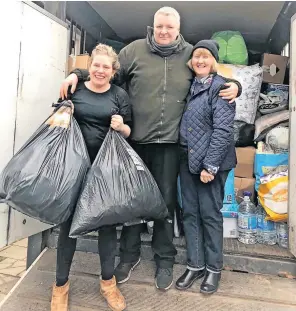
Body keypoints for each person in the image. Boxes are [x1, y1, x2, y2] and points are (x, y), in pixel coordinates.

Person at [59, 7, 241, 291]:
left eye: (169, 27)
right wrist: (77, 73)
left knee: (164, 204)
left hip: (170, 146)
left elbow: (213, 75)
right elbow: (107, 71)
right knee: (132, 202)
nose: (164, 32)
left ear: (178, 28)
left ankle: (165, 260)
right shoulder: (134, 51)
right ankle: (128, 256)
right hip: (135, 142)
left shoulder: (190, 54)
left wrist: (236, 85)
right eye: (159, 27)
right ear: (153, 27)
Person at [51, 44, 131, 311]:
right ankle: (60, 286)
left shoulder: (119, 95)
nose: (100, 70)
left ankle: (108, 283)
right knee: (68, 228)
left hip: (105, 171)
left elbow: (130, 132)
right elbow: (56, 124)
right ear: (89, 67)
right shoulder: (76, 89)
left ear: (112, 71)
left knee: (107, 228)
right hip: (74, 170)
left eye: (105, 66)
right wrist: (63, 114)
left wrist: (122, 127)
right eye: (96, 65)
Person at [176, 40, 237, 295]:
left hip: (211, 164)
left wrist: (210, 166)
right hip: (188, 161)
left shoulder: (221, 87)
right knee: (190, 213)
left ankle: (213, 269)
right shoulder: (189, 86)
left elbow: (223, 130)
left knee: (210, 216)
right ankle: (195, 264)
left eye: (206, 56)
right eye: (196, 56)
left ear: (213, 61)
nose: (200, 60)